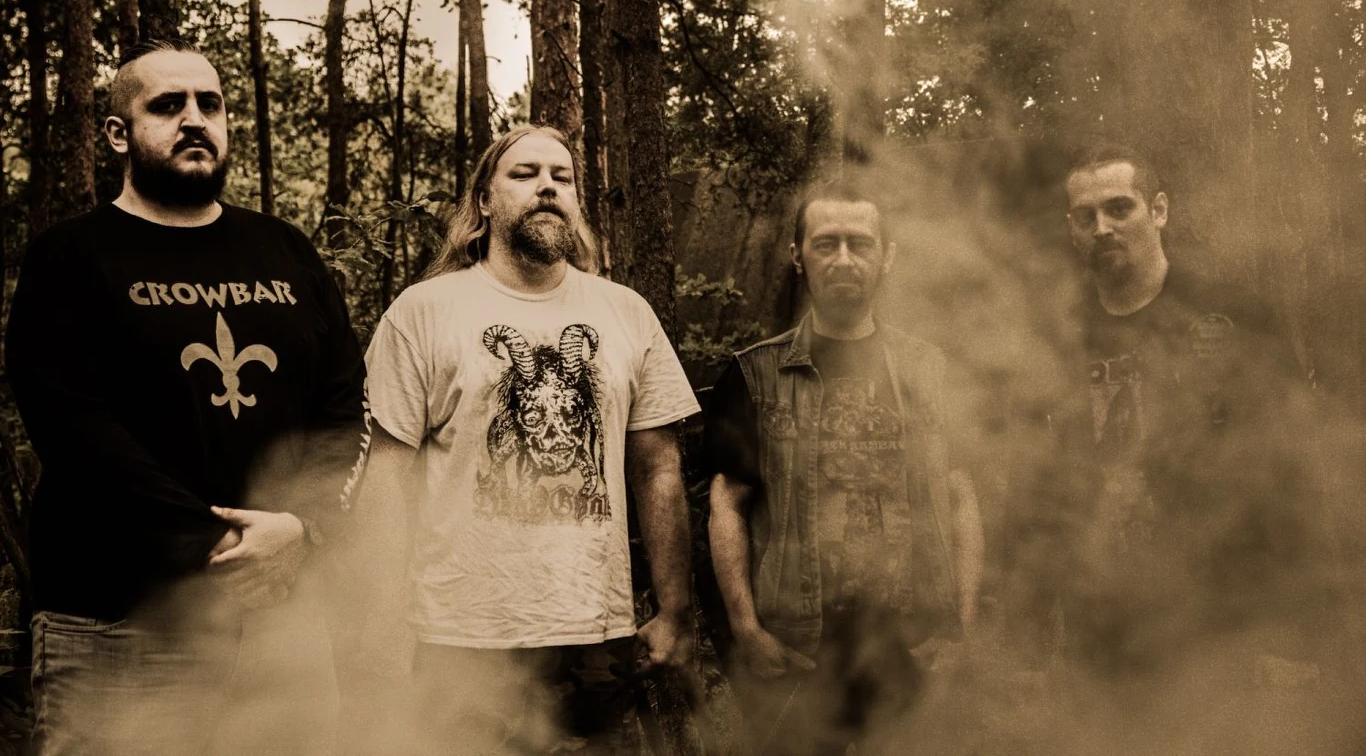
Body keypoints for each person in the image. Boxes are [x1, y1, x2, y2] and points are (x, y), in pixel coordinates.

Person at [6, 39, 368, 755]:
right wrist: (222, 545)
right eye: (168, 105)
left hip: (283, 625)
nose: (195, 119)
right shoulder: (69, 257)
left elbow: (344, 407)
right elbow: (73, 427)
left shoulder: (286, 250)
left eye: (211, 104)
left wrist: (304, 524)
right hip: (120, 626)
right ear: (120, 134)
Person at [354, 124, 701, 753]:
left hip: (594, 632)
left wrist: (676, 611)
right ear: (484, 201)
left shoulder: (625, 312)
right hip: (457, 637)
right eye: (524, 174)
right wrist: (380, 622)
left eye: (561, 177)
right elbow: (385, 477)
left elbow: (658, 469)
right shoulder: (423, 312)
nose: (547, 186)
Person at [1012, 143, 1318, 682]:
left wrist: (1297, 636)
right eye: (1086, 216)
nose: (1102, 228)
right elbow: (1038, 497)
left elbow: (1297, 478)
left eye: (1119, 208)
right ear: (1072, 228)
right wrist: (1030, 642)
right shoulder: (1055, 338)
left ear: (1158, 210)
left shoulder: (1236, 319)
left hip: (1227, 631)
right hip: (1102, 636)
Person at [705, 184, 984, 756]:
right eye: (826, 243)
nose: (843, 258)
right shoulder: (756, 375)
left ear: (888, 255)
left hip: (910, 643)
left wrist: (962, 625)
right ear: (798, 255)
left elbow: (961, 497)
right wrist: (747, 631)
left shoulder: (931, 371)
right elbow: (727, 505)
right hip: (800, 649)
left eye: (860, 243)